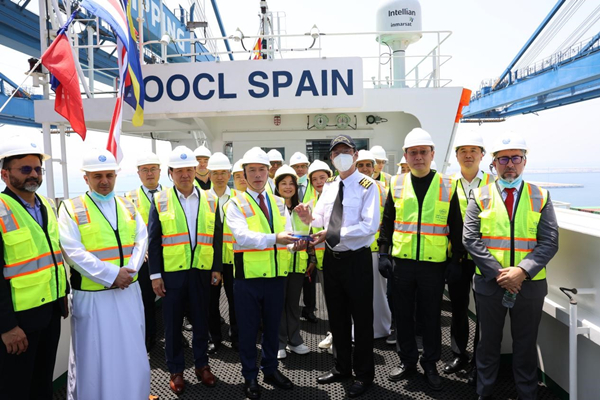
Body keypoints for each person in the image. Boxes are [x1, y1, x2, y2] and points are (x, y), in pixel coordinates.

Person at [463, 134, 558, 400]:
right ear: (493, 163)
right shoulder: (479, 195)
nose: (510, 164)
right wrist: (501, 275)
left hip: (529, 285)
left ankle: (527, 394)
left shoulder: (540, 195)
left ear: (524, 161)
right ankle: (484, 392)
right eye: (503, 159)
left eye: (516, 158)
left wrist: (521, 271)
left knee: (526, 344)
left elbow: (550, 241)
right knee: (487, 343)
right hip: (490, 284)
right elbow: (470, 238)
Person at [59, 148, 150, 399]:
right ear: (86, 178)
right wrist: (112, 274)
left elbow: (141, 240)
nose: (104, 181)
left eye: (109, 175)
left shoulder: (128, 205)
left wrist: (129, 272)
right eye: (97, 176)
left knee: (131, 349)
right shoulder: (70, 208)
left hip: (128, 291)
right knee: (94, 357)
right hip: (93, 297)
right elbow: (72, 251)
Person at [297, 134, 380, 398]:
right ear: (331, 158)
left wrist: (333, 233)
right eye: (336, 153)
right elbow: (321, 218)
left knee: (362, 319)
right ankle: (342, 367)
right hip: (332, 260)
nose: (341, 156)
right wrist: (308, 218)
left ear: (355, 155)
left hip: (357, 260)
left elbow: (369, 226)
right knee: (337, 317)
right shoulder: (330, 185)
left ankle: (364, 375)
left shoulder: (368, 186)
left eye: (346, 151)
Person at [378, 128, 459, 391]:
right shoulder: (397, 183)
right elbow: (387, 221)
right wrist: (383, 253)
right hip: (402, 263)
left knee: (430, 317)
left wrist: (455, 260)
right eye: (413, 153)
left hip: (433, 265)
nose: (418, 157)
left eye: (423, 152)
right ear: (406, 155)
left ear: (432, 154)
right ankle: (407, 361)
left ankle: (431, 364)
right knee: (403, 316)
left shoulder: (448, 185)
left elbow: (456, 226)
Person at [225, 147, 301, 399]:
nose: (257, 175)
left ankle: (270, 370)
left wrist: (296, 244)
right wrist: (276, 238)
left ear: (269, 172)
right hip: (248, 278)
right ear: (244, 174)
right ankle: (250, 376)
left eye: (261, 170)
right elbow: (242, 237)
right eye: (252, 170)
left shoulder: (279, 203)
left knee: (272, 328)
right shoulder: (234, 203)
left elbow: (287, 236)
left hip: (276, 277)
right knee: (248, 332)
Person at [148, 146, 222, 395]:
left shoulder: (210, 199)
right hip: (172, 274)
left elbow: (217, 235)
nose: (185, 175)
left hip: (201, 271)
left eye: (189, 169)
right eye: (179, 171)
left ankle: (202, 366)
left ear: (196, 171)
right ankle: (176, 371)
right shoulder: (160, 200)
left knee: (201, 321)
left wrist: (216, 267)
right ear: (170, 173)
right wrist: (155, 275)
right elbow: (153, 240)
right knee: (172, 325)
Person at [0, 137, 69, 400]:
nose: (34, 175)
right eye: (25, 169)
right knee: (15, 388)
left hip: (50, 312)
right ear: (5, 175)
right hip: (19, 321)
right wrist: (7, 326)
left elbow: (53, 256)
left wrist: (63, 296)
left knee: (42, 383)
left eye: (38, 169)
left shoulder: (47, 205)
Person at [443, 132, 493, 380]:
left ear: (482, 155)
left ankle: (478, 362)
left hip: (486, 258)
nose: (468, 155)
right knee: (458, 308)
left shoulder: (494, 183)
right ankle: (459, 354)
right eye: (463, 150)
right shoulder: (448, 184)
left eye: (474, 150)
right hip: (458, 259)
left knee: (484, 313)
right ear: (456, 156)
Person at [125, 151, 163, 351]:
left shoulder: (170, 195)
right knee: (146, 299)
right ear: (138, 173)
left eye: (153, 169)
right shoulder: (128, 198)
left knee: (172, 298)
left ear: (160, 171)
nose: (149, 173)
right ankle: (149, 337)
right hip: (144, 258)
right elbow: (127, 229)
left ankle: (175, 334)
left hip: (169, 255)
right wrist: (141, 250)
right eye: (145, 170)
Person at [274, 165, 313, 359]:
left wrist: (310, 255)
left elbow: (310, 233)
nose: (288, 187)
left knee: (293, 304)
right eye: (283, 183)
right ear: (277, 186)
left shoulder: (302, 209)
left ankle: (295, 340)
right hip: (278, 263)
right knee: (278, 304)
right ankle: (279, 342)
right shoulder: (272, 208)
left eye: (291, 183)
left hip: (298, 263)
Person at [355, 150, 392, 339]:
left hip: (375, 249)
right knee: (356, 293)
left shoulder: (383, 189)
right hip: (354, 249)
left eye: (368, 165)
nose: (364, 169)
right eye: (360, 165)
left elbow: (389, 219)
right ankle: (358, 329)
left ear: (373, 167)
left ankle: (381, 328)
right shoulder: (348, 187)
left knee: (379, 293)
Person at [206, 152, 239, 353]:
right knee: (211, 302)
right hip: (209, 260)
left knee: (236, 301)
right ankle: (214, 338)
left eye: (223, 172)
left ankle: (237, 337)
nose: (219, 177)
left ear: (229, 175)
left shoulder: (238, 198)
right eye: (215, 173)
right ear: (209, 175)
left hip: (233, 259)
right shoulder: (201, 199)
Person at [306, 160, 334, 352]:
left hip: (342, 259)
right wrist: (313, 259)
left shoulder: (340, 198)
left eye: (322, 177)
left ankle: (347, 335)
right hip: (324, 260)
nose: (318, 182)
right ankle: (334, 334)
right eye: (314, 179)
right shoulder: (311, 204)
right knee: (330, 302)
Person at [290, 151, 318, 323]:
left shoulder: (314, 186)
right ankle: (294, 309)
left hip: (312, 235)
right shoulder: (287, 186)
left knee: (310, 275)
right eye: (296, 167)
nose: (300, 170)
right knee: (293, 275)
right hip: (292, 236)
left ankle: (309, 309)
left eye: (302, 166)